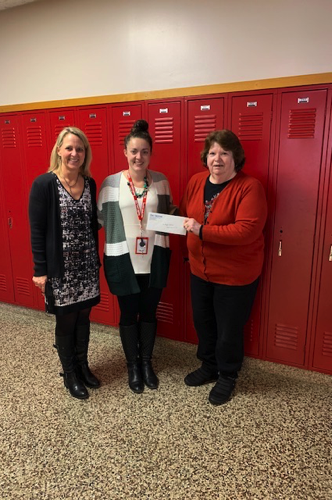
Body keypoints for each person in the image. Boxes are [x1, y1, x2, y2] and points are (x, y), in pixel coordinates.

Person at [180, 129, 267, 405]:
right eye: (213, 153)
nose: (217, 159)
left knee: (229, 328)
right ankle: (209, 365)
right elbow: (186, 215)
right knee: (203, 322)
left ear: (235, 158)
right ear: (206, 157)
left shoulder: (249, 187)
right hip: (199, 270)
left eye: (224, 153)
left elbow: (246, 231)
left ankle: (228, 375)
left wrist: (202, 230)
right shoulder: (196, 181)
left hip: (235, 276)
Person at [97, 120, 176, 394]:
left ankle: (146, 363)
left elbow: (169, 215)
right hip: (123, 260)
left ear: (150, 153)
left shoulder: (161, 181)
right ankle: (132, 365)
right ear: (125, 152)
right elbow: (98, 219)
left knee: (150, 313)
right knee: (129, 314)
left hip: (154, 259)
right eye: (133, 151)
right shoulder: (111, 183)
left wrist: (187, 222)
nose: (138, 157)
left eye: (144, 151)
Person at [29, 126, 101, 400]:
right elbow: (37, 230)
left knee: (84, 317)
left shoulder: (89, 183)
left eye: (79, 149)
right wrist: (40, 270)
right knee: (66, 321)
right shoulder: (44, 184)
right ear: (59, 150)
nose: (74, 153)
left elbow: (91, 223)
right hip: (61, 270)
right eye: (69, 147)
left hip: (86, 266)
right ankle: (69, 374)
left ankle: (83, 366)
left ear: (85, 154)